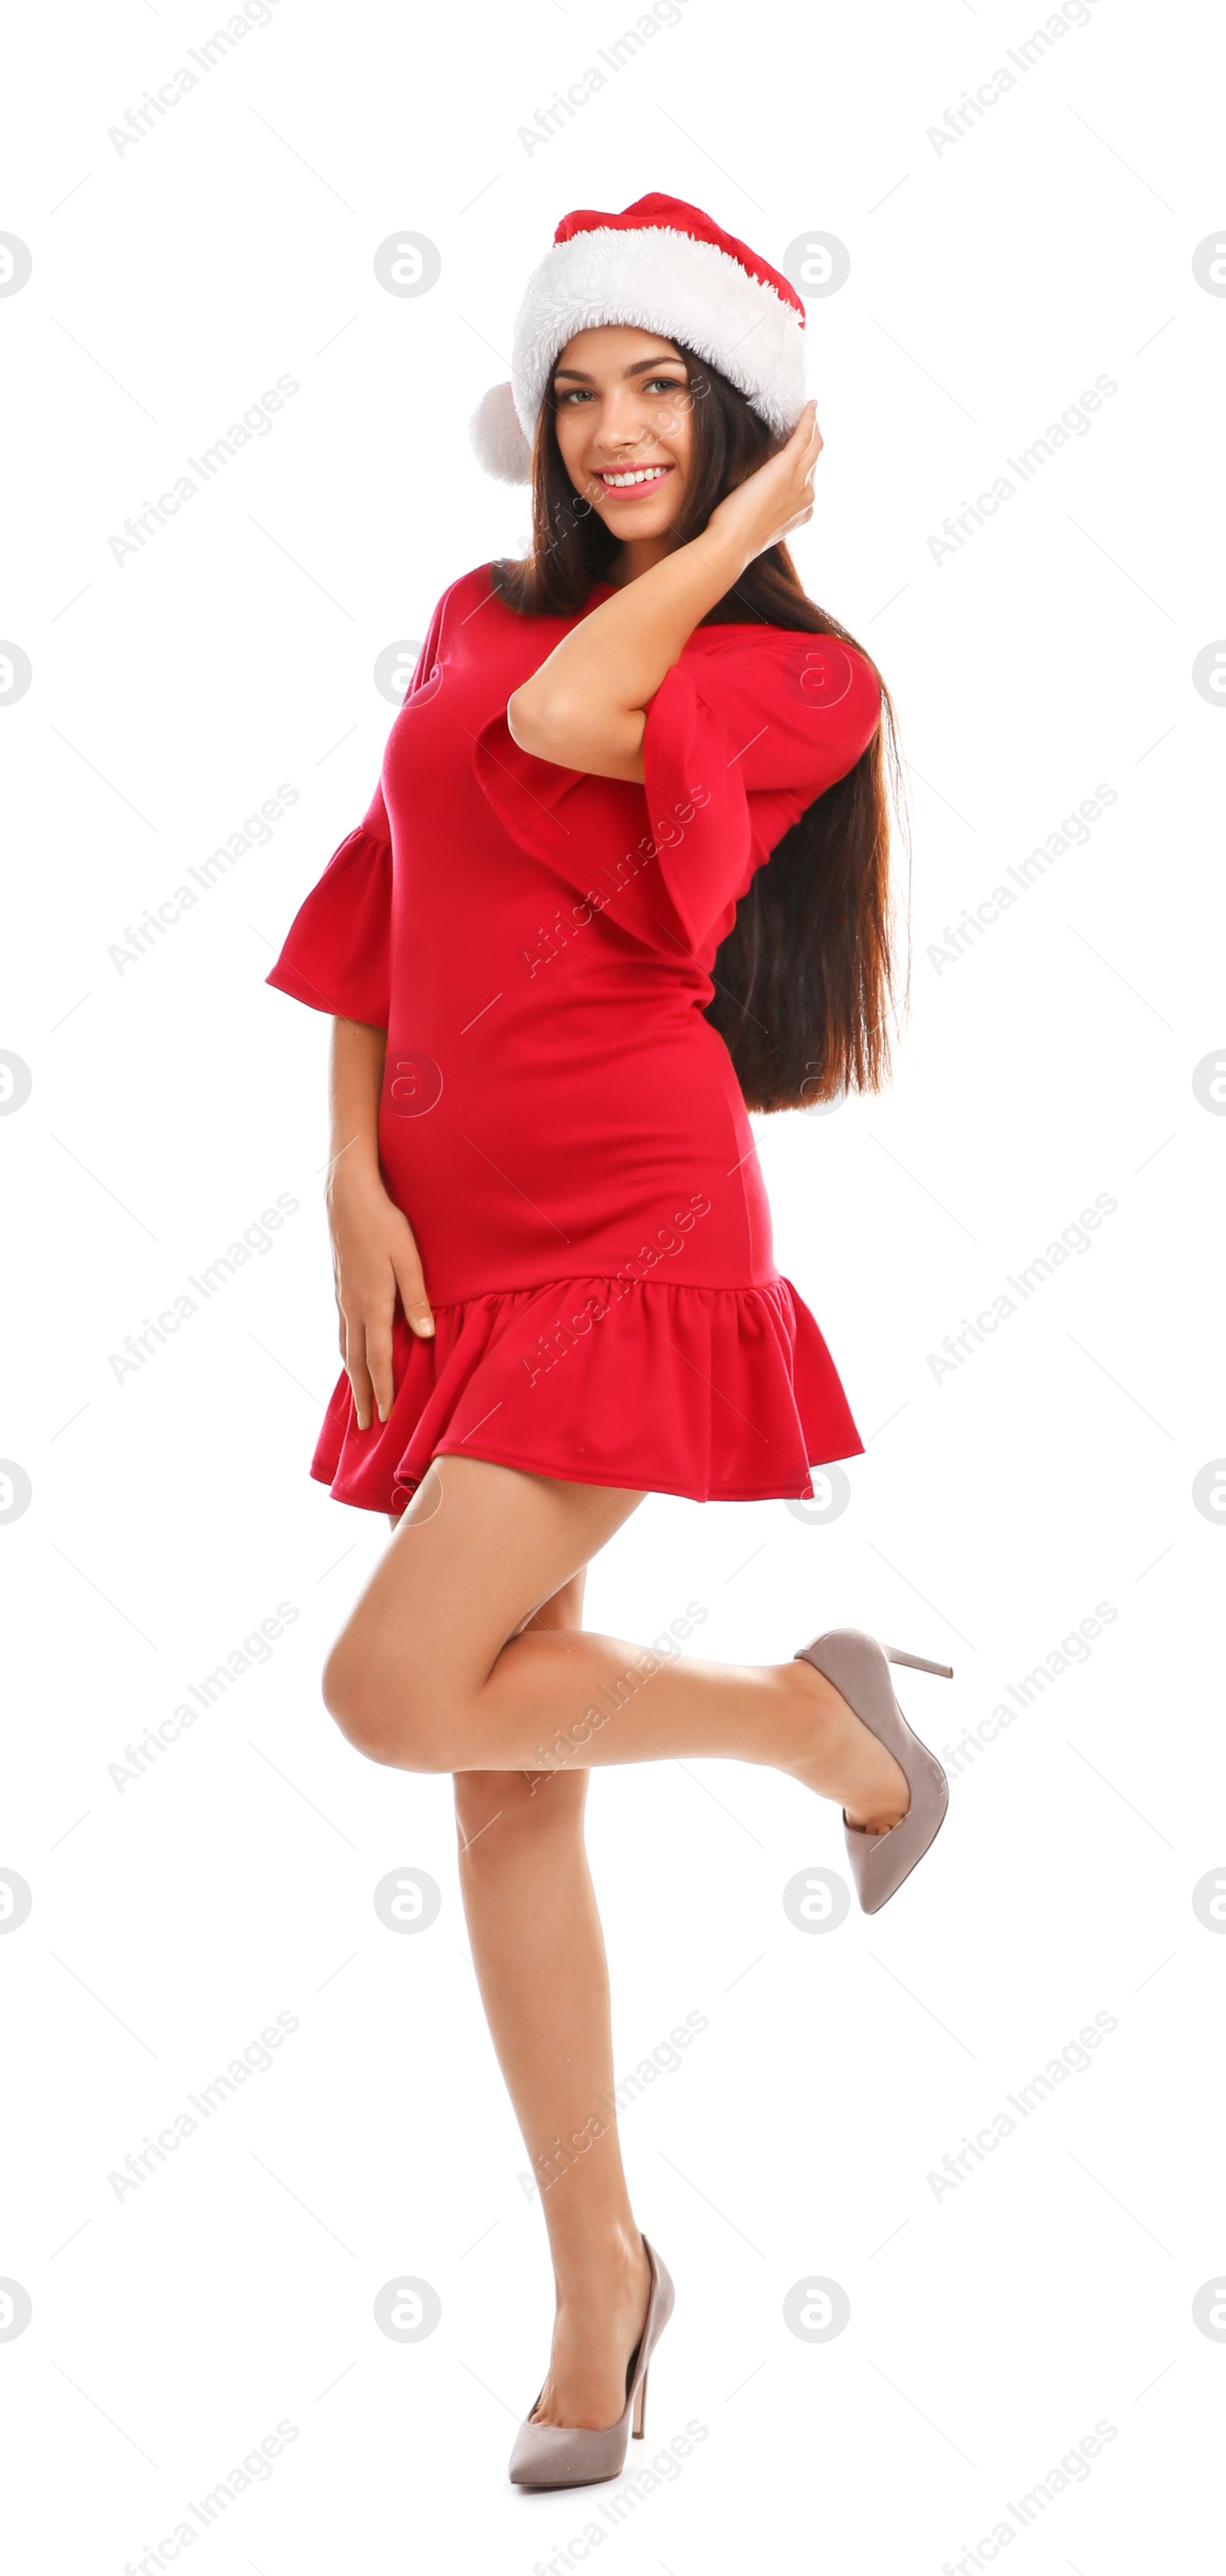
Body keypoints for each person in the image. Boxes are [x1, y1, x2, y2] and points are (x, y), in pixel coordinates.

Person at [266, 192, 951, 2492]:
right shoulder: (472, 605)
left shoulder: (799, 672)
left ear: (742, 420)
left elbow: (581, 714)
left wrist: (756, 526)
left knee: (395, 1685)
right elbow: (381, 905)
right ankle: (603, 2283)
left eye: (669, 383)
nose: (617, 424)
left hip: (638, 1215)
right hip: (447, 1225)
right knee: (499, 1767)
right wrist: (348, 1176)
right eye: (583, 388)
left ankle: (801, 1720)